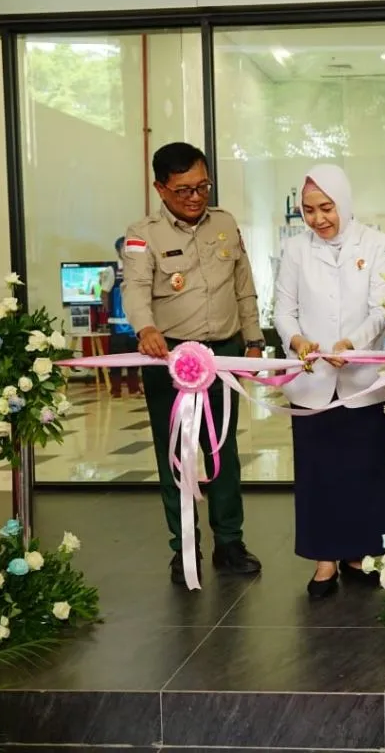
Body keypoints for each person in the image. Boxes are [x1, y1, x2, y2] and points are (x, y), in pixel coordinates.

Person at [121, 142, 266, 586]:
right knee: (175, 458)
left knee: (222, 451)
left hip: (221, 354)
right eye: (183, 189)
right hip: (169, 359)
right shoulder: (142, 234)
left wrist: (255, 338)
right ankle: (183, 546)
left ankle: (230, 542)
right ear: (160, 188)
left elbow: (244, 286)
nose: (195, 197)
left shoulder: (224, 224)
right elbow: (135, 288)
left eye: (202, 186)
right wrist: (145, 328)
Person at [274, 164, 385, 599]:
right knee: (319, 473)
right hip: (312, 381)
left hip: (363, 378)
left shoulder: (378, 244)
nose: (318, 219)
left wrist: (353, 344)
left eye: (326, 208)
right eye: (308, 211)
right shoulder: (295, 250)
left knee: (363, 470)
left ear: (343, 202)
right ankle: (325, 559)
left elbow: (383, 307)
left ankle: (359, 554)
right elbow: (282, 311)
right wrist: (297, 339)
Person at [104, 237, 143, 398]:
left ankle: (134, 387)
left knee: (135, 355)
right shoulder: (111, 270)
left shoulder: (137, 268)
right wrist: (107, 312)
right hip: (117, 321)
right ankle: (116, 389)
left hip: (135, 322)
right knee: (117, 356)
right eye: (123, 248)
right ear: (118, 250)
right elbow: (105, 292)